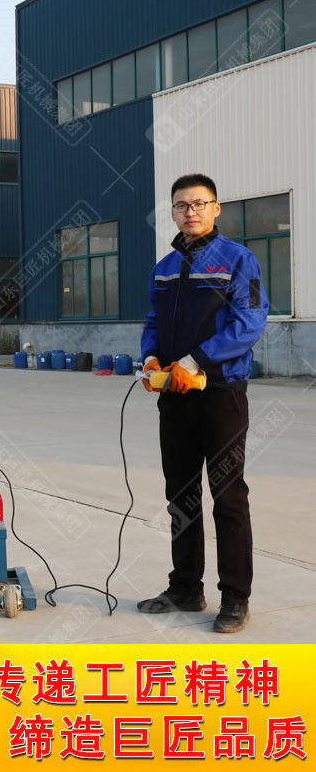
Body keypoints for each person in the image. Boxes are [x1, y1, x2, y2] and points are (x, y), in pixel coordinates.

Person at [138, 173, 268, 633]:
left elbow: (250, 321)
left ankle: (235, 597)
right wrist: (151, 357)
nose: (190, 212)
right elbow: (153, 320)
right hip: (175, 395)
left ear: (216, 209)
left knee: (228, 495)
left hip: (221, 393)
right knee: (181, 494)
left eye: (199, 203)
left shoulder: (239, 260)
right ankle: (185, 588)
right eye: (181, 205)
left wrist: (194, 360)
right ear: (172, 213)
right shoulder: (164, 267)